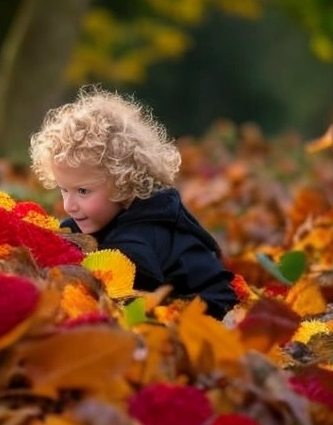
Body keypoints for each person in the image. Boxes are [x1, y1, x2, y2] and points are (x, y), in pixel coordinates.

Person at [29, 85, 238, 319]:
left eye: (83, 191)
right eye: (63, 190)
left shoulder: (138, 243)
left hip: (209, 311)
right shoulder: (108, 216)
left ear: (123, 182)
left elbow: (128, 301)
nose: (69, 204)